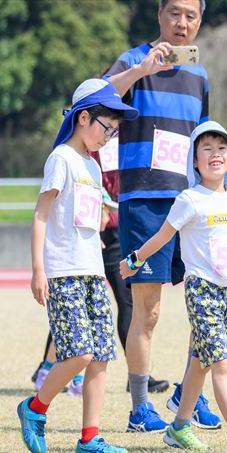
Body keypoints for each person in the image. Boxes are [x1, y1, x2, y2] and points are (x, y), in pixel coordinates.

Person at [104, 0, 220, 433]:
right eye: (174, 13)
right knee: (148, 311)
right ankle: (139, 409)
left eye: (191, 16)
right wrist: (140, 71)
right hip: (145, 200)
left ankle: (189, 394)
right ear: (159, 14)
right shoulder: (133, 61)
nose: (182, 23)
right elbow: (96, 98)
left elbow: (204, 140)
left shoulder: (199, 75)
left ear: (200, 21)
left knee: (204, 305)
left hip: (191, 203)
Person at [120, 121, 227, 453]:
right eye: (207, 149)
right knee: (221, 363)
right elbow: (162, 236)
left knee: (201, 361)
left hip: (226, 291)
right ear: (195, 162)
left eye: (222, 148)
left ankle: (178, 428)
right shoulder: (189, 199)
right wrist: (135, 259)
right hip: (201, 290)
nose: (216, 154)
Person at [17, 78, 137, 453]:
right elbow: (41, 215)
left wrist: (97, 230)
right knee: (79, 354)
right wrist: (38, 269)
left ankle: (89, 439)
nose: (109, 136)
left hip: (92, 271)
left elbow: (82, 217)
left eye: (114, 131)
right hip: (63, 272)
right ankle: (35, 408)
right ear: (83, 118)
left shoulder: (92, 166)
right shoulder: (61, 159)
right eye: (106, 127)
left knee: (100, 355)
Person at [30, 149, 170, 395]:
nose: (111, 131)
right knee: (73, 307)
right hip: (86, 231)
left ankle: (137, 376)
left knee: (126, 302)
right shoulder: (81, 150)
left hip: (115, 233)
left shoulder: (126, 142)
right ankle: (49, 368)